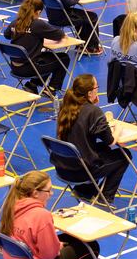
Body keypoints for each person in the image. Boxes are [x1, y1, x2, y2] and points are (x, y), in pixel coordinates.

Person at [51, 74, 130, 203]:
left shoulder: (65, 107)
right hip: (82, 171)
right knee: (124, 155)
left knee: (99, 149)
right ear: (90, 92)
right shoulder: (93, 112)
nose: (98, 90)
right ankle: (105, 197)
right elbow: (110, 141)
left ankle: (85, 190)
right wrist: (118, 129)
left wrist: (93, 106)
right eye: (97, 87)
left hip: (62, 168)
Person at [3, 0, 69, 95]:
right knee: (63, 58)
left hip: (14, 67)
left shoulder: (15, 22)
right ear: (38, 12)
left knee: (45, 58)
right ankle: (51, 88)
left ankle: (32, 85)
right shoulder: (37, 24)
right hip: (29, 68)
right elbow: (59, 35)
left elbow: (7, 35)